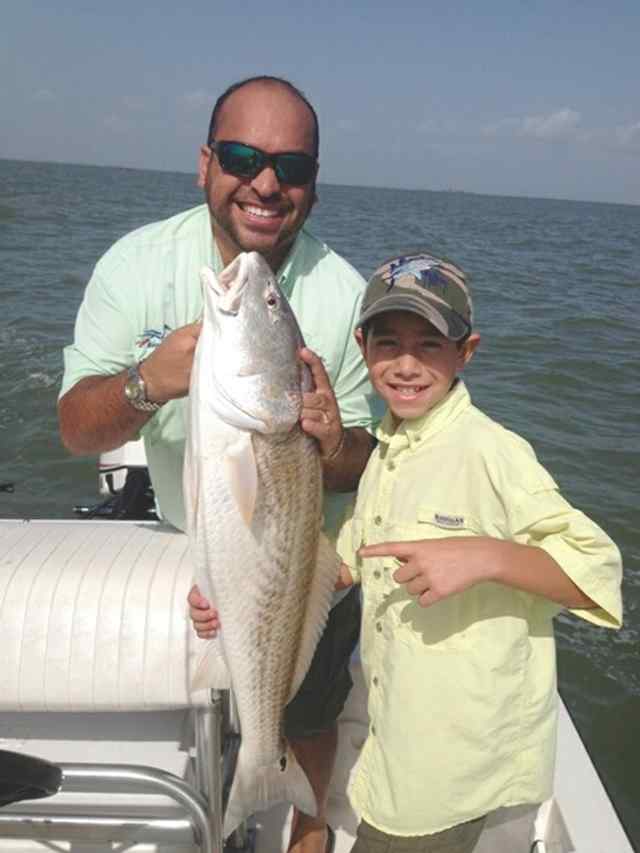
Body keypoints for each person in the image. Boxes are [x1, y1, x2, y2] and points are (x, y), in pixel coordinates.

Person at [58, 75, 382, 853]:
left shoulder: (344, 293)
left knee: (309, 693)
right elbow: (74, 427)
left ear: (313, 185)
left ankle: (303, 817)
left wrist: (335, 440)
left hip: (307, 545)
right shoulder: (136, 263)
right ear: (205, 163)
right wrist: (148, 382)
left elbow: (370, 459)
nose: (267, 183)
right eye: (243, 156)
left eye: (292, 168)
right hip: (190, 529)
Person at [331, 252, 623, 853]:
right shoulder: (389, 444)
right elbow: (352, 555)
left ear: (467, 351)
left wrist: (485, 555)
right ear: (362, 346)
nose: (406, 365)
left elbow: (598, 572)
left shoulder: (493, 453)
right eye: (388, 343)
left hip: (453, 764)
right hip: (400, 730)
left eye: (430, 346)